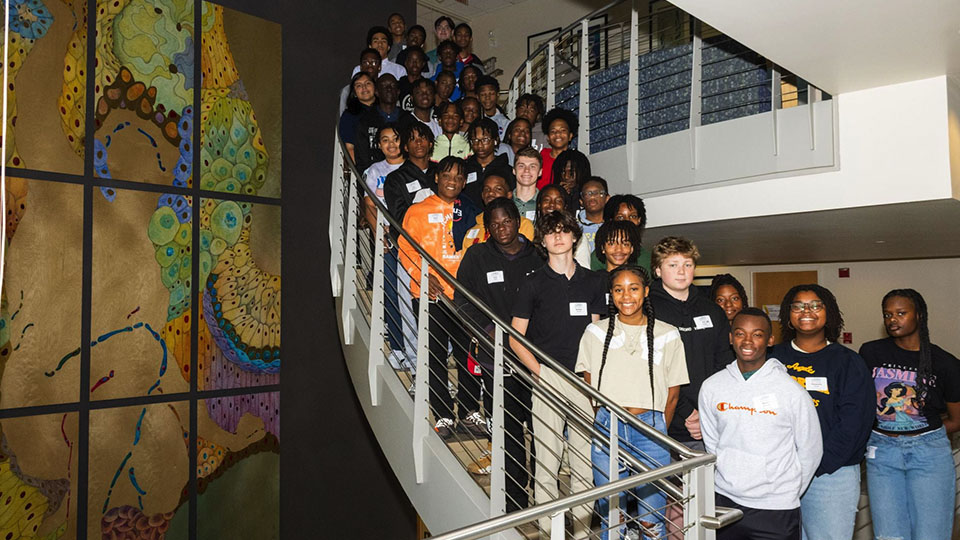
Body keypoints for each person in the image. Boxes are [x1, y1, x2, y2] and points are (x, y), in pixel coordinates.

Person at [510, 210, 606, 538]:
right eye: (551, 232)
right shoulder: (532, 282)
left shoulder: (594, 281)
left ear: (575, 236)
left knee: (583, 463)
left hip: (582, 381)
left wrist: (593, 380)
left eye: (565, 231)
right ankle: (549, 533)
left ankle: (580, 533)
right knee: (547, 464)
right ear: (542, 240)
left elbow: (597, 333)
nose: (558, 237)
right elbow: (515, 336)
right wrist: (539, 373)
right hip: (547, 377)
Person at [577, 265, 688, 540]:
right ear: (611, 295)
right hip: (607, 429)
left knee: (652, 522)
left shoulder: (668, 334)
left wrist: (656, 428)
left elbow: (673, 394)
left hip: (650, 431)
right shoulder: (595, 333)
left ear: (646, 291)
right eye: (618, 289)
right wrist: (607, 418)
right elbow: (592, 388)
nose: (626, 296)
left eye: (634, 288)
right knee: (613, 521)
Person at [700, 308, 822, 540]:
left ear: (770, 340)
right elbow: (712, 443)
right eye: (740, 333)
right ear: (730, 338)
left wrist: (787, 492)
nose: (747, 341)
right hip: (725, 502)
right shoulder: (712, 386)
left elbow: (811, 450)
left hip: (776, 508)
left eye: (757, 334)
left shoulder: (791, 392)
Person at [453, 197, 544, 510]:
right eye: (494, 223)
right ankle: (515, 500)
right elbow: (462, 300)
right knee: (508, 432)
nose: (501, 227)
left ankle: (545, 496)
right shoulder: (477, 256)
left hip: (536, 359)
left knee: (541, 430)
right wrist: (488, 332)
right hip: (497, 361)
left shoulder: (538, 255)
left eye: (507, 221)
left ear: (518, 222)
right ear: (487, 227)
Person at [770, 284, 874, 540]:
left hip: (830, 476)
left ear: (829, 313)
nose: (807, 311)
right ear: (788, 315)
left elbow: (854, 425)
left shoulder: (848, 362)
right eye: (798, 306)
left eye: (816, 305)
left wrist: (813, 464)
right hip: (777, 474)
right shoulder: (772, 359)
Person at [860, 289, 960, 540]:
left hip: (929, 453)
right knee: (889, 536)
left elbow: (957, 419)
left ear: (920, 315)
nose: (893, 319)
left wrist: (916, 434)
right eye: (887, 314)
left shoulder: (945, 363)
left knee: (931, 534)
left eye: (901, 313)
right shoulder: (871, 352)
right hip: (881, 452)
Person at [398, 156, 483, 440]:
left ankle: (471, 412)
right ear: (437, 177)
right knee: (434, 355)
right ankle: (444, 415)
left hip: (462, 296)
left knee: (467, 355)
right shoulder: (417, 211)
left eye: (459, 177)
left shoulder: (470, 211)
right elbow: (405, 250)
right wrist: (425, 276)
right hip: (428, 293)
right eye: (448, 175)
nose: (453, 181)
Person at [647, 236, 733, 451]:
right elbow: (649, 368)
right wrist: (687, 412)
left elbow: (724, 362)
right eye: (672, 265)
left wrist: (707, 410)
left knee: (710, 484)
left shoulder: (713, 311)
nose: (681, 271)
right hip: (662, 422)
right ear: (657, 270)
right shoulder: (646, 311)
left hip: (711, 419)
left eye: (687, 264)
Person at [361, 124, 407, 369]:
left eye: (395, 139)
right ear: (379, 145)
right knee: (391, 292)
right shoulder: (375, 170)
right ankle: (399, 348)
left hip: (410, 240)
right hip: (387, 239)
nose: (391, 144)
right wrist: (380, 235)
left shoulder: (411, 167)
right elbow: (369, 205)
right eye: (385, 140)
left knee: (411, 295)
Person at [462, 169, 534, 250]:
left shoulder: (522, 224)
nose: (491, 193)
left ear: (509, 194)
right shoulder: (473, 230)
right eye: (487, 189)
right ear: (482, 195)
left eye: (498, 189)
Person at [354, 74, 411, 173]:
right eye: (384, 86)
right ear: (377, 92)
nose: (389, 89)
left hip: (403, 176)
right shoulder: (366, 120)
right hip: (374, 178)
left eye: (392, 86)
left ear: (398, 92)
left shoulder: (408, 120)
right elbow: (361, 157)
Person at [462, 118, 510, 207]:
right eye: (475, 140)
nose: (479, 145)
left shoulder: (506, 170)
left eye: (485, 140)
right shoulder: (465, 168)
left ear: (496, 140)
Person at [338, 71, 377, 163]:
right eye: (359, 85)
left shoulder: (386, 109)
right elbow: (350, 148)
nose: (364, 88)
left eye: (367, 83)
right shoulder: (349, 116)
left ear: (375, 87)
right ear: (354, 92)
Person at [539, 108, 578, 189]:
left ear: (570, 136)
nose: (557, 134)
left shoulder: (577, 160)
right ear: (548, 138)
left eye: (563, 130)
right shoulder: (540, 159)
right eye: (553, 131)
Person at [340, 48, 380, 113]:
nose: (370, 66)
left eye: (374, 63)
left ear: (379, 67)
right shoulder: (347, 90)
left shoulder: (384, 88)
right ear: (360, 67)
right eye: (366, 62)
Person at [512, 147, 541, 222]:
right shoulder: (504, 203)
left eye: (532, 166)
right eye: (521, 166)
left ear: (540, 172)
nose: (527, 170)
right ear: (514, 170)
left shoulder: (545, 204)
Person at [398, 46, 426, 112]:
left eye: (418, 61)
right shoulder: (399, 85)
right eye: (411, 60)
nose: (414, 64)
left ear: (423, 64)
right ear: (406, 63)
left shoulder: (427, 85)